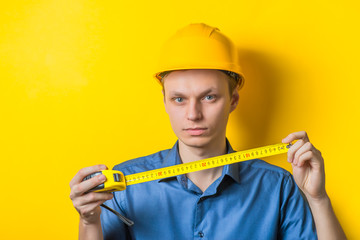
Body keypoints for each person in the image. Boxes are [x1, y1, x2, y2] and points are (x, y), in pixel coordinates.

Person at [70, 23, 346, 239]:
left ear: (233, 100)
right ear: (165, 102)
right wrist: (88, 220)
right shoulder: (126, 185)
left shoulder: (278, 186)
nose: (193, 114)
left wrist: (317, 198)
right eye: (179, 99)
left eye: (209, 97)